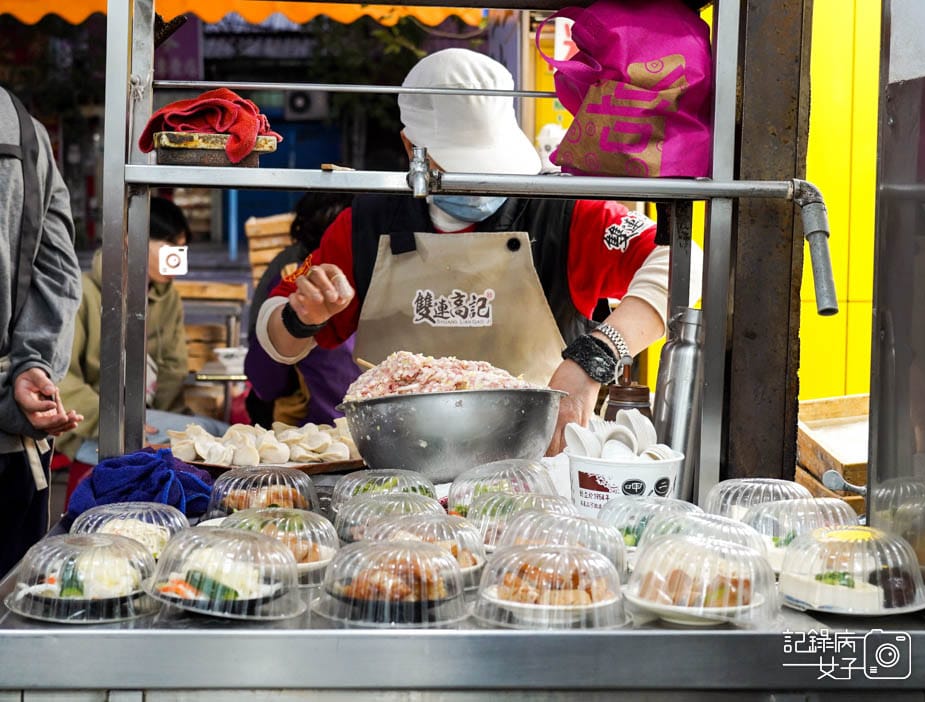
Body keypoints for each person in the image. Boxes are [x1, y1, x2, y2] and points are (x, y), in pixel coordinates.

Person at [255, 48, 702, 453]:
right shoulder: (366, 225)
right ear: (413, 148)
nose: (481, 183)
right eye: (464, 166)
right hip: (398, 472)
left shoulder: (564, 216)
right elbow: (276, 339)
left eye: (492, 165)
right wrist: (302, 316)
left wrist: (595, 357)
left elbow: (686, 262)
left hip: (540, 466)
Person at [58, 196, 227, 465]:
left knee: (218, 437)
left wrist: (171, 427)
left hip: (146, 421)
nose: (178, 257)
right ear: (129, 239)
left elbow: (173, 366)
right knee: (217, 434)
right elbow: (63, 379)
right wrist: (117, 426)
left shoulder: (167, 298)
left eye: (182, 248)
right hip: (88, 428)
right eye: (169, 245)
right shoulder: (82, 293)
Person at [0, 87, 83, 575]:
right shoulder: (23, 129)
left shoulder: (25, 133)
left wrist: (28, 370)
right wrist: (31, 366)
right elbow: (56, 273)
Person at [245, 191, 361, 427]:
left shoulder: (294, 273)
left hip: (316, 429)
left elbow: (265, 380)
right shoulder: (296, 278)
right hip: (329, 434)